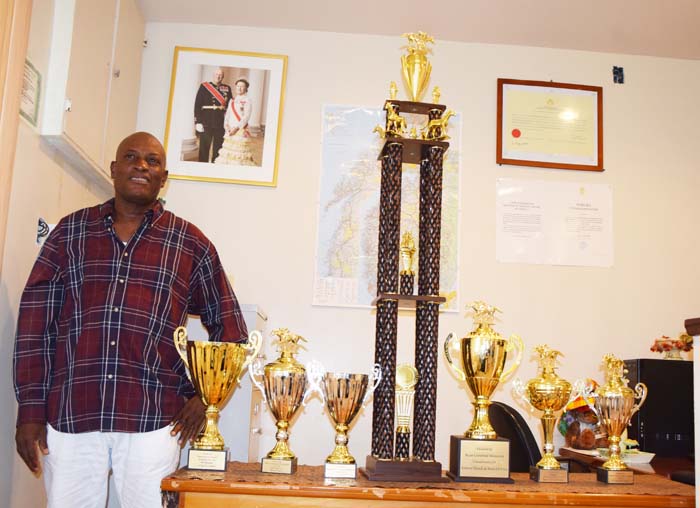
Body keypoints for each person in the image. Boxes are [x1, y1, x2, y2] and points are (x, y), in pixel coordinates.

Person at [13, 132, 248, 508]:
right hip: (73, 413)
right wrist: (30, 410)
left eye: (152, 161)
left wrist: (205, 399)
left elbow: (232, 331)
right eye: (131, 157)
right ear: (113, 169)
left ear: (163, 176)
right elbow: (34, 327)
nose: (141, 165)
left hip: (153, 419)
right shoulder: (69, 234)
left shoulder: (190, 244)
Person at [214, 78, 257, 166]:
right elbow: (228, 114)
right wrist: (226, 125)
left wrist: (236, 128)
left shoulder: (248, 100)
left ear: (246, 89)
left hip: (239, 130)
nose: (239, 88)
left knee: (238, 154)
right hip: (229, 129)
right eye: (238, 86)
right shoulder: (232, 100)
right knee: (227, 152)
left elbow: (246, 117)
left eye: (242, 86)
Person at [193, 68, 232, 162]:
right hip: (206, 121)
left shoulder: (227, 88)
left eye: (220, 75)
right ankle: (202, 167)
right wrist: (198, 121)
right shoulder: (204, 86)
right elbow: (197, 104)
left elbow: (230, 106)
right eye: (216, 74)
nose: (218, 77)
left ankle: (215, 166)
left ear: (223, 77)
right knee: (204, 148)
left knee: (218, 148)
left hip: (220, 122)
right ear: (213, 75)